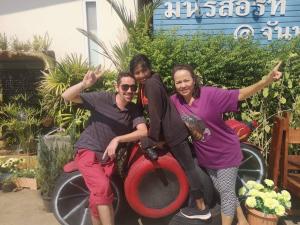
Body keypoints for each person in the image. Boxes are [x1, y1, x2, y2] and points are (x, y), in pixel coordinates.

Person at [170, 62, 282, 225]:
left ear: (193, 80)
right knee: (225, 191)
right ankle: (243, 221)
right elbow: (160, 110)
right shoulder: (175, 101)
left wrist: (266, 81)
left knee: (227, 194)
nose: (183, 85)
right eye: (178, 82)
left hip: (226, 152)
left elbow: (241, 94)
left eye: (186, 80)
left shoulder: (210, 94)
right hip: (207, 157)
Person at [129, 54, 211, 220]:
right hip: (171, 129)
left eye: (144, 70)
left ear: (149, 69)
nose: (142, 75)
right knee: (188, 165)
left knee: (188, 167)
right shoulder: (147, 84)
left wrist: (151, 139)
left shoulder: (150, 84)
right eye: (137, 73)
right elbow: (144, 107)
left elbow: (155, 115)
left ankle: (202, 208)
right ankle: (196, 201)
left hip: (173, 132)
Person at [61, 69, 148, 225]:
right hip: (88, 151)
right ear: (117, 87)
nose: (129, 91)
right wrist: (85, 84)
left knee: (97, 199)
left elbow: (143, 131)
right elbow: (66, 96)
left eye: (133, 88)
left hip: (108, 157)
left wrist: (117, 139)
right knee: (102, 187)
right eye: (125, 87)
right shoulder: (102, 98)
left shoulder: (134, 109)